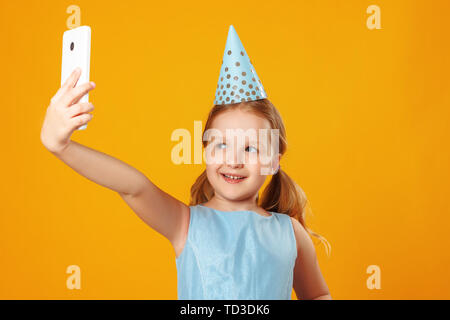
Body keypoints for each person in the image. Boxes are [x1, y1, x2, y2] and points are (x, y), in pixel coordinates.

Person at [40, 25, 331, 300]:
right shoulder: (186, 224)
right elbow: (134, 188)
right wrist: (62, 147)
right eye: (222, 144)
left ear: (274, 161)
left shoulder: (290, 233)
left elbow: (318, 294)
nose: (233, 159)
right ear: (205, 151)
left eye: (250, 148)